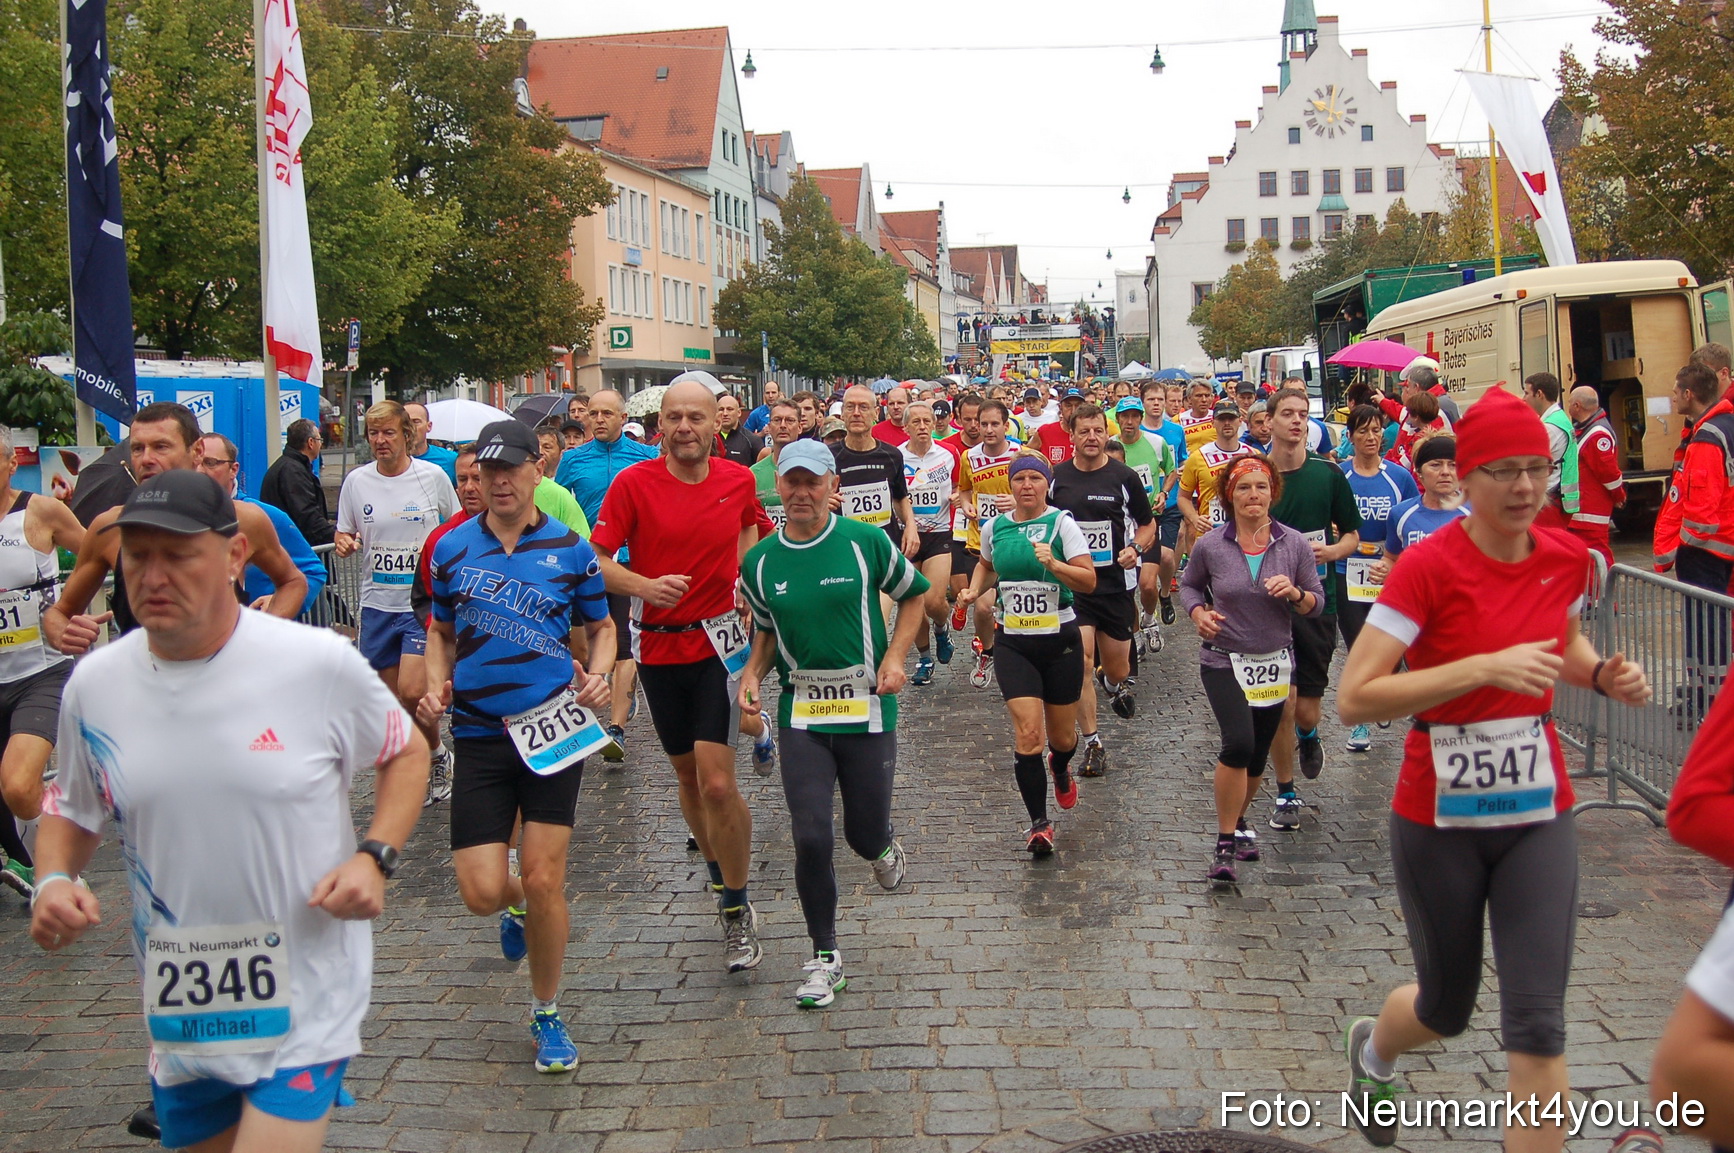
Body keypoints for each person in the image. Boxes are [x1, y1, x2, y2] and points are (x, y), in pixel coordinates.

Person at [31, 470, 428, 1153]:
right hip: (185, 1006)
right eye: (137, 554)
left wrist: (374, 856)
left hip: (307, 995)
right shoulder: (96, 685)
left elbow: (406, 749)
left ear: (234, 558)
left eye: (177, 554)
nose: (152, 574)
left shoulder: (313, 662)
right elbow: (70, 805)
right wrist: (52, 880)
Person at [1335, 383, 1651, 1152]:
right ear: (1464, 477)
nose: (1523, 487)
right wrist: (1479, 666)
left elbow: (1560, 645)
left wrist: (1598, 672)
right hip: (1437, 811)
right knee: (1447, 1006)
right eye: (1503, 470)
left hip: (1538, 810)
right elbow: (1358, 695)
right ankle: (1375, 1050)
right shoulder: (1427, 568)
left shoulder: (1566, 557)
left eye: (1536, 469)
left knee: (1538, 1024)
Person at [420, 421, 614, 1074]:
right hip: (478, 732)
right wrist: (432, 686)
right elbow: (440, 632)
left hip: (554, 729)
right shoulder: (451, 549)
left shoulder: (570, 548)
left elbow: (602, 624)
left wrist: (602, 671)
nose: (497, 482)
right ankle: (517, 906)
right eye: (484, 471)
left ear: (537, 470)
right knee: (481, 889)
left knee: (543, 874)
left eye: (509, 469)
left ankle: (546, 1010)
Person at [589, 380, 773, 973]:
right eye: (675, 418)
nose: (686, 427)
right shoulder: (632, 484)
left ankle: (739, 908)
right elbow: (594, 559)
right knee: (690, 780)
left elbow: (752, 526)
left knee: (719, 783)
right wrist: (642, 586)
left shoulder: (737, 478)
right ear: (660, 425)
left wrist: (745, 575)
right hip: (659, 650)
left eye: (696, 417)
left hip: (719, 647)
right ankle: (721, 879)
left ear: (713, 426)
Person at [737, 440, 926, 1007]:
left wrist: (895, 658)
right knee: (811, 835)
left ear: (830, 486)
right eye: (790, 482)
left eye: (811, 482)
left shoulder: (866, 542)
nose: (799, 493)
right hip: (804, 714)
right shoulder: (761, 561)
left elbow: (915, 596)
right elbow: (766, 634)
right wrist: (751, 674)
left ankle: (885, 848)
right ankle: (824, 955)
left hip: (867, 710)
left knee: (862, 834)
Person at [45, 403, 308, 656]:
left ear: (197, 451)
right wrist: (63, 634)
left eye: (161, 447)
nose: (146, 459)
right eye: (137, 449)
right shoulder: (110, 527)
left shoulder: (243, 520)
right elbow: (59, 613)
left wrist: (262, 635)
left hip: (223, 688)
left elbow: (293, 581)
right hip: (147, 690)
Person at [1182, 456, 1324, 884]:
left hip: (1274, 660)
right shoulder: (1211, 544)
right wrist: (1197, 613)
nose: (1253, 496)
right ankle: (1224, 842)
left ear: (1273, 492)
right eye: (1244, 488)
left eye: (1261, 487)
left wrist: (1296, 593)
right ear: (1230, 494)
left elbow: (1316, 601)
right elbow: (1189, 584)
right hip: (1223, 658)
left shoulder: (1293, 543)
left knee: (1258, 754)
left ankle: (1239, 822)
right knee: (1238, 743)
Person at [956, 454, 1095, 855]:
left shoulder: (1062, 524)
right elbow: (986, 565)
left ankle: (1062, 765)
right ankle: (1039, 823)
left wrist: (1056, 565)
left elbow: (1088, 580)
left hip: (1060, 639)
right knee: (1028, 735)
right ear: (1011, 486)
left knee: (1063, 738)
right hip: (1014, 641)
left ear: (1046, 484)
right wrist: (974, 590)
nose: (1027, 485)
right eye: (1020, 479)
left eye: (1036, 478)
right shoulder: (994, 527)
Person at [334, 400, 459, 805]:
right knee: (393, 700)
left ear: (407, 434)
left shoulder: (433, 477)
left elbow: (457, 525)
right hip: (376, 603)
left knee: (411, 689)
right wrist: (344, 543)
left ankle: (433, 757)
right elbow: (345, 531)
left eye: (388, 432)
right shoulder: (356, 481)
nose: (380, 441)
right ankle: (435, 754)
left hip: (419, 604)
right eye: (373, 433)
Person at [1262, 387, 1361, 828]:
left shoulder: (1328, 473)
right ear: (1270, 420)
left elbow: (1353, 535)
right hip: (1264, 604)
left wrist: (1332, 553)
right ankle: (1285, 792)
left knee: (1304, 708)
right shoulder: (1254, 473)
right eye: (1288, 414)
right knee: (1281, 702)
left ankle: (1309, 734)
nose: (1297, 421)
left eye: (1303, 414)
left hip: (1319, 600)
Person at [0, 428, 85, 899]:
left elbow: (96, 553)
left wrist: (69, 609)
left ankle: (62, 870)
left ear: (12, 464)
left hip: (39, 671)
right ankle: (30, 861)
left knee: (17, 783)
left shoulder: (40, 511)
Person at [1050, 404, 1154, 777]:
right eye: (1084, 432)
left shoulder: (1124, 477)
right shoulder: (1056, 478)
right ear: (1072, 436)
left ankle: (1112, 683)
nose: (1092, 438)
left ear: (1105, 434)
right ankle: (1093, 743)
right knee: (1079, 661)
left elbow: (1146, 524)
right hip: (1074, 587)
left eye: (1097, 431)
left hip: (1114, 586)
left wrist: (1136, 549)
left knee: (1117, 665)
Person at [556, 389, 659, 753]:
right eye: (593, 413)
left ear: (622, 417)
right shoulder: (573, 460)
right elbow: (559, 508)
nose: (598, 419)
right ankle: (599, 695)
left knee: (622, 640)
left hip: (628, 561)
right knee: (582, 644)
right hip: (584, 560)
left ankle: (615, 727)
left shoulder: (646, 456)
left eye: (606, 413)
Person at [1335, 407, 1418, 753]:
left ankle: (1383, 687)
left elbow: (1415, 518)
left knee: (1392, 647)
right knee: (1358, 645)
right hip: (1349, 571)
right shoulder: (1340, 476)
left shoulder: (1398, 478)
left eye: (1376, 431)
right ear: (1351, 436)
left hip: (1388, 571)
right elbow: (1330, 514)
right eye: (1363, 431)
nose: (1371, 438)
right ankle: (1361, 723)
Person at [195, 435, 327, 617]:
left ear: (233, 469)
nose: (200, 471)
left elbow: (313, 571)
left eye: (210, 463)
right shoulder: (179, 517)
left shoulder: (263, 516)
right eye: (195, 463)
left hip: (259, 634)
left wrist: (278, 602)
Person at [954, 400, 1021, 688]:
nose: (989, 430)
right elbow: (964, 488)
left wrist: (1017, 501)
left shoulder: (1021, 453)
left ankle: (1020, 654)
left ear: (1006, 426)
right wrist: (967, 505)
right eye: (984, 424)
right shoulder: (969, 457)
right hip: (979, 541)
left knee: (1014, 604)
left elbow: (1046, 489)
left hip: (1015, 540)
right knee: (982, 607)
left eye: (995, 424)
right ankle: (988, 651)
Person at [899, 401, 960, 683]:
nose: (923, 427)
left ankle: (941, 627)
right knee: (912, 603)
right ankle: (924, 659)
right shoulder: (896, 457)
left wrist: (959, 497)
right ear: (906, 426)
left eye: (927, 421)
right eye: (917, 422)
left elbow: (961, 486)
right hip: (907, 536)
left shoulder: (949, 454)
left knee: (934, 600)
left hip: (939, 535)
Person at [832, 385, 918, 558]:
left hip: (883, 547)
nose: (856, 413)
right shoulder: (828, 456)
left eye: (863, 407)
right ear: (842, 413)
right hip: (843, 548)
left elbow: (900, 496)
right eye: (850, 407)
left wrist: (910, 525)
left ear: (876, 412)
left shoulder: (892, 455)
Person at [1177, 399, 1258, 555]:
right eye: (1221, 419)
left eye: (1231, 418)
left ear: (1240, 421)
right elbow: (1183, 497)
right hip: (1211, 535)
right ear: (1213, 422)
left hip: (1247, 534)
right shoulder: (1197, 457)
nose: (1227, 423)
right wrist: (1195, 518)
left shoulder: (1255, 456)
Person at [1140, 380, 1189, 627]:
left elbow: (1183, 460)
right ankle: (1145, 603)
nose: (1157, 404)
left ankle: (1165, 595)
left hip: (1169, 501)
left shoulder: (1175, 430)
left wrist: (1179, 472)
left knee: (1168, 557)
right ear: (1143, 403)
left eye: (1160, 399)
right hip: (1143, 505)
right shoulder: (1135, 431)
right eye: (1151, 399)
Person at [1566, 385, 1624, 568]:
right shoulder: (1587, 430)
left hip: (1590, 512)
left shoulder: (1597, 434)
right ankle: (1594, 595)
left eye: (1569, 403)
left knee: (1597, 558)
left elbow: (1609, 473)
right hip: (1583, 510)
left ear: (1577, 406)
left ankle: (1603, 596)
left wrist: (1619, 495)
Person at [1383, 436, 1467, 559]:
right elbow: (1391, 558)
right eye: (1436, 465)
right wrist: (1383, 568)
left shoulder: (1479, 514)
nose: (1445, 472)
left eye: (1453, 465)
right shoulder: (1400, 514)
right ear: (1419, 472)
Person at [259, 418, 334, 548]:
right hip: (297, 551)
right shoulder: (293, 471)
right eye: (319, 440)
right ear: (311, 443)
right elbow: (307, 517)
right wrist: (336, 535)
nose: (320, 445)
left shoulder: (289, 466)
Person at [1520, 372, 1576, 529]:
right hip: (1555, 500)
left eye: (1526, 393)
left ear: (1539, 394)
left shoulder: (1550, 427)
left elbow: (1525, 460)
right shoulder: (1558, 419)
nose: (1524, 398)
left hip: (1548, 502)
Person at [750, 398, 804, 532]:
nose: (783, 425)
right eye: (777, 420)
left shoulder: (813, 471)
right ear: (768, 427)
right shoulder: (753, 474)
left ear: (800, 427)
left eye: (790, 420)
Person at [532, 427, 590, 536]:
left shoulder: (570, 489)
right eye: (536, 447)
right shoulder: (522, 486)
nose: (540, 452)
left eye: (547, 447)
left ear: (561, 453)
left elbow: (581, 539)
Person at [404, 401, 459, 486]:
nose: (411, 428)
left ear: (429, 426)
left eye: (416, 422)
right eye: (406, 423)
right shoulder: (392, 462)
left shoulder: (450, 459)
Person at [1032, 388, 1082, 464]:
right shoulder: (1045, 432)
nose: (1073, 411)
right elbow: (1026, 455)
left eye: (1078, 406)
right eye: (1068, 406)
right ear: (1060, 407)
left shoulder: (1092, 435)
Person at [716, 393, 760, 467]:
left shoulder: (752, 440)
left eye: (730, 409)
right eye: (721, 409)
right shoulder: (709, 440)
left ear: (739, 412)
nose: (725, 413)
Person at [1178, 381, 1218, 452]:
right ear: (1189, 399)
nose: (1204, 400)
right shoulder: (1178, 420)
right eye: (1199, 396)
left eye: (1207, 395)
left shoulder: (1219, 417)